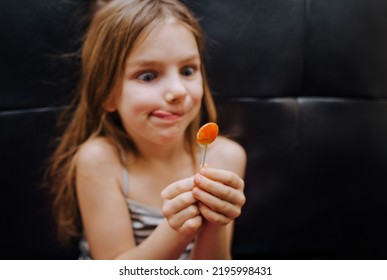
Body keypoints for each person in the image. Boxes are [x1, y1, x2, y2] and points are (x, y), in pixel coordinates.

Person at [47, 0, 246, 260]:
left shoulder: (227, 157)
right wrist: (178, 230)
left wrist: (216, 222)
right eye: (148, 76)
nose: (177, 91)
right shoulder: (99, 161)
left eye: (188, 70)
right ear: (107, 94)